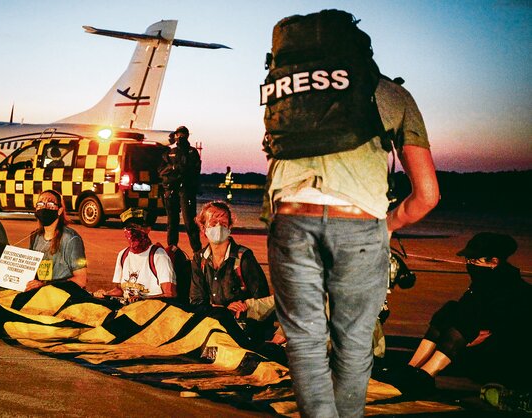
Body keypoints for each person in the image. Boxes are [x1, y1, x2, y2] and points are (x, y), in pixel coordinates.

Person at [262, 10, 440, 416]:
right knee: (354, 342)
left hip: (290, 218)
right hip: (359, 223)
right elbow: (427, 195)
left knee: (305, 342)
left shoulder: (287, 95)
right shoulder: (392, 95)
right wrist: (389, 225)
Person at [395, 233, 531, 395]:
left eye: (474, 261)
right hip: (483, 344)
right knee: (451, 310)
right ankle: (413, 368)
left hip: (509, 357)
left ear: (494, 262)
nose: (469, 264)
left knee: (465, 319)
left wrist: (468, 337)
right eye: (467, 260)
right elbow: (463, 311)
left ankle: (426, 374)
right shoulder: (486, 281)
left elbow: (499, 330)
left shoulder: (510, 290)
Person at [189, 201, 275, 346]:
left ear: (230, 227)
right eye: (213, 222)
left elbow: (263, 299)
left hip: (242, 329)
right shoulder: (199, 259)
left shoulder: (243, 258)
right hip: (214, 325)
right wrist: (224, 310)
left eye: (223, 223)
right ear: (203, 228)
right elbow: (196, 301)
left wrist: (246, 306)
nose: (219, 227)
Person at [93, 208, 175, 303]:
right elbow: (120, 290)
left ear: (147, 229)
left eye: (135, 227)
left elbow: (170, 294)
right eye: (127, 228)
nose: (131, 232)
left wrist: (142, 300)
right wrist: (106, 294)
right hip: (128, 310)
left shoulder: (158, 255)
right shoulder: (123, 255)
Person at [25, 190, 87, 291]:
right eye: (40, 204)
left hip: (63, 296)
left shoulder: (71, 239)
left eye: (50, 204)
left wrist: (45, 286)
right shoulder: (35, 236)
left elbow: (81, 279)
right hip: (40, 295)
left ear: (59, 210)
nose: (44, 208)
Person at [159, 125, 202, 255]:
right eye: (179, 134)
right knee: (172, 222)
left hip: (186, 190)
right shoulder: (170, 153)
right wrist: (172, 171)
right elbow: (161, 170)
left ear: (187, 136)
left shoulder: (192, 152)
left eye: (183, 134)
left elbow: (195, 170)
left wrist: (180, 171)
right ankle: (172, 249)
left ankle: (197, 251)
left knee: (190, 222)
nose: (180, 137)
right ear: (175, 136)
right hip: (172, 190)